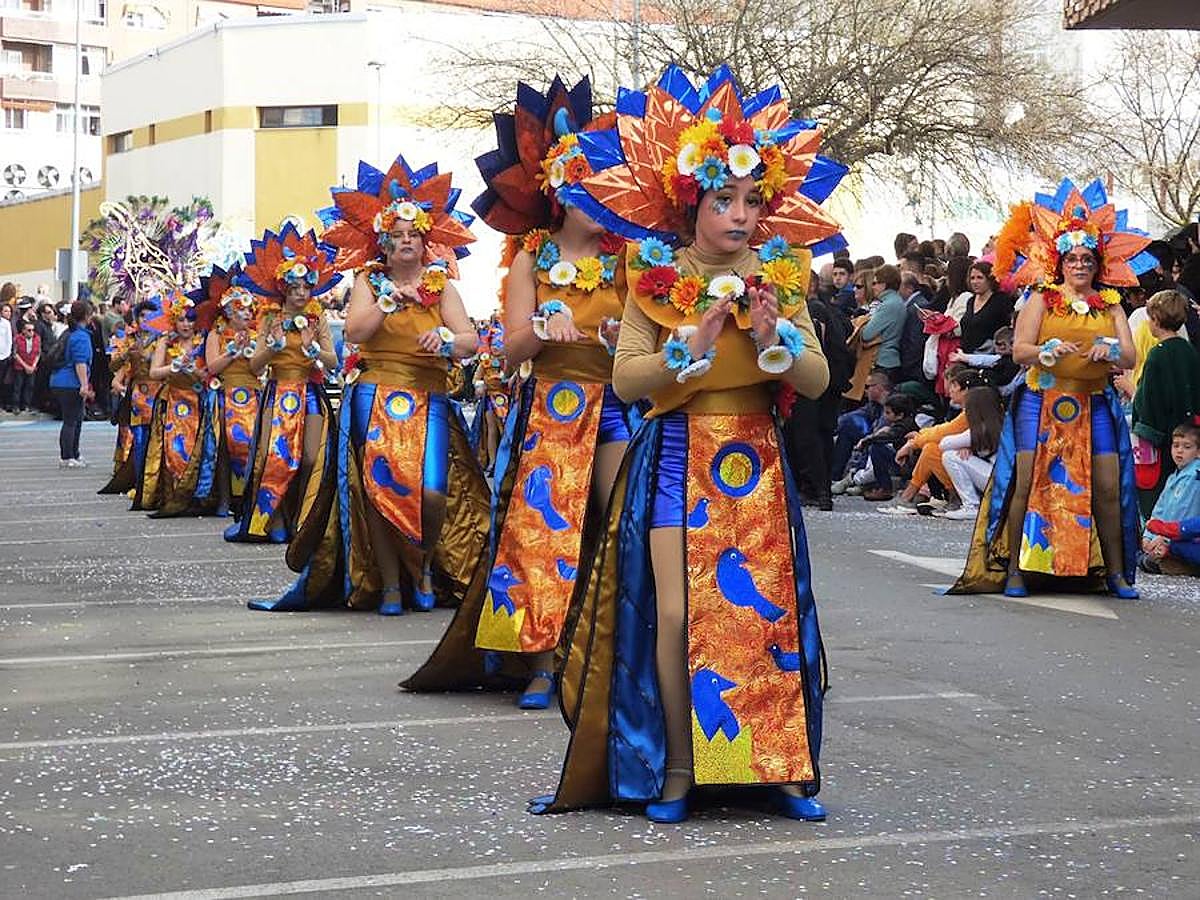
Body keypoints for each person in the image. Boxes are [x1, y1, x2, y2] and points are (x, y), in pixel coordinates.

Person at [524, 65, 841, 824]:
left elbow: (822, 381)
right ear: (689, 203)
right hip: (674, 456)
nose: (740, 214)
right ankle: (677, 766)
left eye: (751, 200)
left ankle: (778, 766)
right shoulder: (653, 279)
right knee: (674, 617)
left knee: (764, 618)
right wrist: (686, 350)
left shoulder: (781, 279)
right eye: (724, 199)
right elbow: (630, 382)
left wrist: (773, 338)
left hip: (754, 460)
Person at [404, 77, 634, 706]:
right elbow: (507, 349)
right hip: (554, 409)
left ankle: (612, 652)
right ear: (558, 191)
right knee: (544, 532)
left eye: (601, 184)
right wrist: (542, 330)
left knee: (616, 525)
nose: (593, 195)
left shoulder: (631, 260)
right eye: (581, 184)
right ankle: (540, 659)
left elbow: (649, 342)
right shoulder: (532, 258)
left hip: (615, 407)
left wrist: (619, 338)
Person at [251, 154, 487, 615]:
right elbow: (356, 332)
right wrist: (386, 302)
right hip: (375, 391)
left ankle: (420, 567)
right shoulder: (368, 281)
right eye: (396, 236)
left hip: (429, 393)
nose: (405, 242)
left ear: (425, 242)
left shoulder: (442, 288)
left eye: (412, 236)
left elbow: (470, 341)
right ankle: (393, 584)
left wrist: (443, 339)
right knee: (379, 488)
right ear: (383, 242)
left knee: (431, 489)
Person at [951, 178, 1152, 600]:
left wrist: (1109, 350)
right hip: (1041, 401)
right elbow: (1020, 350)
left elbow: (1130, 357)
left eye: (1087, 259)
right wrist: (1046, 350)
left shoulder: (1111, 303)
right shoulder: (1042, 299)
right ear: (1059, 261)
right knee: (1025, 483)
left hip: (1095, 402)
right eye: (1072, 258)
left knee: (1109, 488)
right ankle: (1015, 572)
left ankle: (1116, 573)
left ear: (1098, 264)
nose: (1080, 265)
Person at [223, 224, 340, 544]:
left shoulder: (318, 320)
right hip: (277, 391)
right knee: (273, 457)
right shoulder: (270, 320)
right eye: (295, 287)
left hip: (311, 393)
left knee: (311, 459)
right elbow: (255, 364)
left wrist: (313, 349)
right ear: (284, 289)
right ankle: (271, 519)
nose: (301, 293)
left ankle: (304, 521)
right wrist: (273, 347)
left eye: (306, 287)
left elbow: (333, 362)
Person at [133, 291, 213, 515]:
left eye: (190, 319)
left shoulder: (204, 341)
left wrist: (196, 371)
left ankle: (195, 496)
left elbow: (211, 372)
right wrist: (174, 367)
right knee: (175, 449)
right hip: (174, 402)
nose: (186, 324)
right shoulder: (165, 342)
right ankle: (174, 495)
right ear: (174, 321)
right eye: (181, 319)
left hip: (199, 402)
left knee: (200, 450)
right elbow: (154, 371)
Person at [198, 267, 262, 518]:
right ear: (229, 311)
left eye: (249, 309)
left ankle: (248, 498)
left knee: (254, 447)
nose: (247, 313)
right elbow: (212, 367)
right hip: (226, 394)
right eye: (242, 309)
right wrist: (233, 350)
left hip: (254, 394)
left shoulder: (258, 335)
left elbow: (262, 368)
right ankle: (224, 498)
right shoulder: (216, 335)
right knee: (224, 449)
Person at [1131, 289, 1200, 516]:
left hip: (1162, 440)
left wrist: (1144, 426)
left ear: (1157, 320)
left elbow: (1147, 401)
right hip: (1188, 431)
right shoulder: (1188, 350)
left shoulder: (1157, 355)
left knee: (1159, 493)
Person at [871, 367, 979, 509]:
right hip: (978, 463)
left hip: (987, 469)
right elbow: (943, 430)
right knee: (931, 448)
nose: (951, 390)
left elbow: (944, 433)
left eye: (954, 386)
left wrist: (913, 443)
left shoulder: (972, 411)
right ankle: (914, 495)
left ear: (966, 390)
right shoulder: (969, 410)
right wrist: (918, 439)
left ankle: (959, 499)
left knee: (936, 449)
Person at [99, 300, 164, 496]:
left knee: (160, 440)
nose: (147, 320)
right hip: (138, 395)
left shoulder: (164, 340)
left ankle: (157, 483)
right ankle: (140, 483)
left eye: (151, 316)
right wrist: (127, 354)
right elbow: (113, 369)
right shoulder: (130, 340)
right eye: (143, 316)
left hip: (160, 393)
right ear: (136, 318)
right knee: (140, 440)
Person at [937, 385, 1004, 521]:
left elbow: (944, 444)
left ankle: (971, 505)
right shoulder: (1002, 422)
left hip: (997, 482)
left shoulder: (981, 429)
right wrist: (969, 447)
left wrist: (966, 444)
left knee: (949, 456)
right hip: (1007, 480)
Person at [1141, 424, 1200, 575]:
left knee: (1157, 557)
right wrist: (1149, 536)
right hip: (1167, 536)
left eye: (1187, 447)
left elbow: (1184, 512)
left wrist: (1164, 538)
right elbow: (1159, 509)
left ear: (1198, 452)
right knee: (1144, 554)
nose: (1180, 450)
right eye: (1176, 446)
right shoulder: (1173, 477)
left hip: (1187, 538)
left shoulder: (1195, 476)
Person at [48, 299, 95, 468]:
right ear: (87, 316)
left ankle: (74, 453)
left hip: (60, 380)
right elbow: (80, 362)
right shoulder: (81, 336)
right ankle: (67, 456)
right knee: (71, 421)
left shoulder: (69, 333)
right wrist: (84, 385)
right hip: (70, 382)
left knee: (76, 419)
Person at [831, 368, 891, 492]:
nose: (865, 391)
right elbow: (853, 416)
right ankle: (835, 475)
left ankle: (854, 476)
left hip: (888, 443)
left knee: (871, 442)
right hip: (873, 436)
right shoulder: (873, 405)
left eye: (868, 387)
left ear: (879, 387)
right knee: (847, 427)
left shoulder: (892, 403)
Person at [860, 264, 905, 383]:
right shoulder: (896, 301)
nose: (872, 287)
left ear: (884, 284)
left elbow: (866, 334)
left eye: (875, 283)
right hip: (890, 361)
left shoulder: (888, 305)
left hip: (884, 362)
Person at [959, 261, 1014, 353]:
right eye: (972, 278)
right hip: (965, 355)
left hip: (990, 355)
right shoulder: (971, 301)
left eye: (980, 278)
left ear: (990, 279)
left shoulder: (1001, 300)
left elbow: (1009, 328)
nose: (975, 282)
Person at [11, 318, 39, 412]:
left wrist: (33, 365)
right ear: (23, 330)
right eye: (29, 330)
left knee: (30, 386)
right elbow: (15, 354)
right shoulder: (17, 339)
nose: (31, 332)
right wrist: (25, 366)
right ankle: (15, 405)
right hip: (20, 366)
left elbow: (38, 353)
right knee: (18, 386)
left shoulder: (37, 338)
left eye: (33, 330)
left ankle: (26, 405)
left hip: (32, 366)